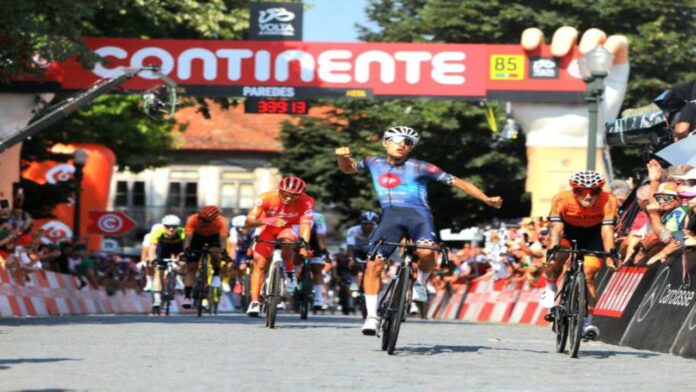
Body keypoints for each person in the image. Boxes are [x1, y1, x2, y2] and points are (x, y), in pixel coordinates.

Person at [336, 125, 503, 335]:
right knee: (374, 265)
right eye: (397, 140)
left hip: (419, 216)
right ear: (385, 143)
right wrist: (342, 158)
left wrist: (486, 199)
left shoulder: (422, 167)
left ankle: (420, 284)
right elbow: (348, 168)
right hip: (390, 216)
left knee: (426, 252)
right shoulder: (372, 162)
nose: (402, 145)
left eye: (408, 143)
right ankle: (371, 317)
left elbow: (457, 182)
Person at [542, 170, 620, 341]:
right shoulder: (561, 199)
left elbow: (607, 231)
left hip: (594, 233)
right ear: (574, 191)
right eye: (582, 192)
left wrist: (611, 252)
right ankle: (551, 285)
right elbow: (556, 228)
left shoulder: (609, 200)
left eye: (594, 192)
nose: (588, 196)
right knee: (557, 258)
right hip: (567, 231)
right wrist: (554, 247)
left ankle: (587, 321)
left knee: (589, 274)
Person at [244, 176, 315, 317]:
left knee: (288, 240)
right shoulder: (265, 197)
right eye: (285, 195)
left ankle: (289, 272)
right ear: (279, 190)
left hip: (287, 228)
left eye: (294, 197)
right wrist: (267, 220)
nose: (288, 199)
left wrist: (304, 244)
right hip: (266, 228)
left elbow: (305, 226)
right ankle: (254, 302)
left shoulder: (307, 202)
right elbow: (248, 222)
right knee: (260, 263)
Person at [182, 205, 228, 309]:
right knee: (191, 267)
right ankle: (187, 296)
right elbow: (188, 238)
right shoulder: (192, 219)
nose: (201, 221)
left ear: (213, 219)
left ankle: (216, 273)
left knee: (215, 253)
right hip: (197, 237)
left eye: (205, 220)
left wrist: (224, 251)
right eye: (200, 218)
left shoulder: (221, 221)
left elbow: (222, 239)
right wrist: (186, 250)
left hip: (213, 237)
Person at [147, 214, 185, 310]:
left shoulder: (182, 232)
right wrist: (152, 260)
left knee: (182, 264)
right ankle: (157, 299)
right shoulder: (157, 231)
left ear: (178, 227)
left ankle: (176, 280)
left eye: (174, 227)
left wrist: (182, 260)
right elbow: (152, 247)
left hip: (178, 248)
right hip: (163, 249)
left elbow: (186, 248)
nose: (171, 229)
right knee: (158, 271)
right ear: (163, 226)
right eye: (168, 226)